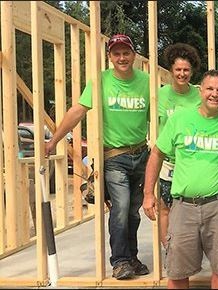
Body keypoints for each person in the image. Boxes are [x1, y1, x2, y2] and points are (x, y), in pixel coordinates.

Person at [45, 34, 150, 280]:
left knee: (134, 211)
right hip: (114, 157)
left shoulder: (147, 81)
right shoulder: (100, 81)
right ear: (110, 57)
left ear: (133, 55)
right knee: (121, 208)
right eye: (116, 54)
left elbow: (161, 113)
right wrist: (53, 141)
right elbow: (78, 111)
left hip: (140, 154)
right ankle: (120, 261)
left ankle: (132, 257)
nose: (122, 58)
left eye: (126, 52)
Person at [142, 70, 218, 289]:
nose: (215, 94)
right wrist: (147, 194)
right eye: (210, 88)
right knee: (177, 271)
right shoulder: (180, 119)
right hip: (184, 206)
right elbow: (157, 153)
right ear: (200, 90)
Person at [157, 43, 202, 248]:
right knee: (165, 207)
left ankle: (188, 249)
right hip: (167, 162)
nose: (182, 73)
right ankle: (169, 250)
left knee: (188, 208)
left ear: (192, 71)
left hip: (191, 161)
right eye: (178, 69)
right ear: (171, 70)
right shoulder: (159, 95)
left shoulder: (199, 95)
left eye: (186, 70)